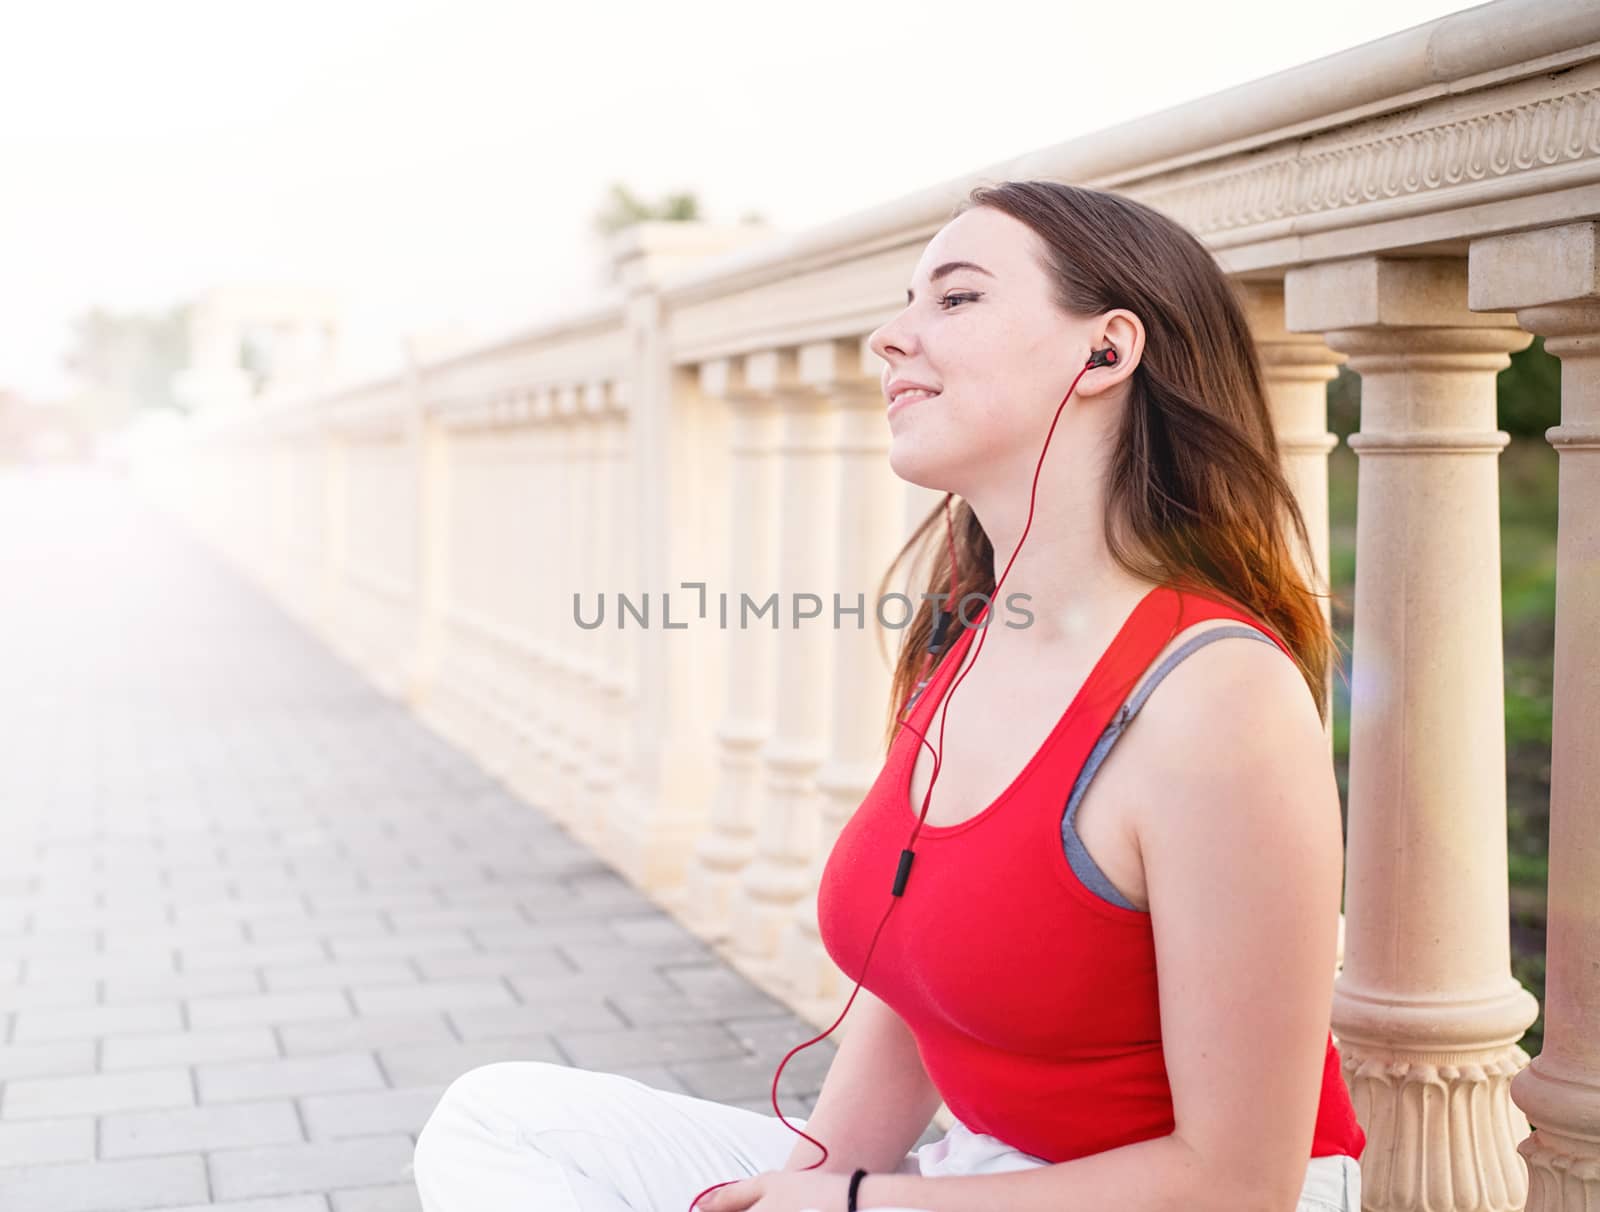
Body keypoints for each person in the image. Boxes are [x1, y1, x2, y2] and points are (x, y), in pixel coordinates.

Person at [411, 178, 1364, 1212]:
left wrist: (860, 1206)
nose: (888, 340)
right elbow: (915, 994)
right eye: (907, 302)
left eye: (953, 300)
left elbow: (1238, 1185)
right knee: (496, 1119)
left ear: (1107, 350)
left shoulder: (1216, 695)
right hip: (980, 1177)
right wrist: (807, 1181)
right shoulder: (969, 635)